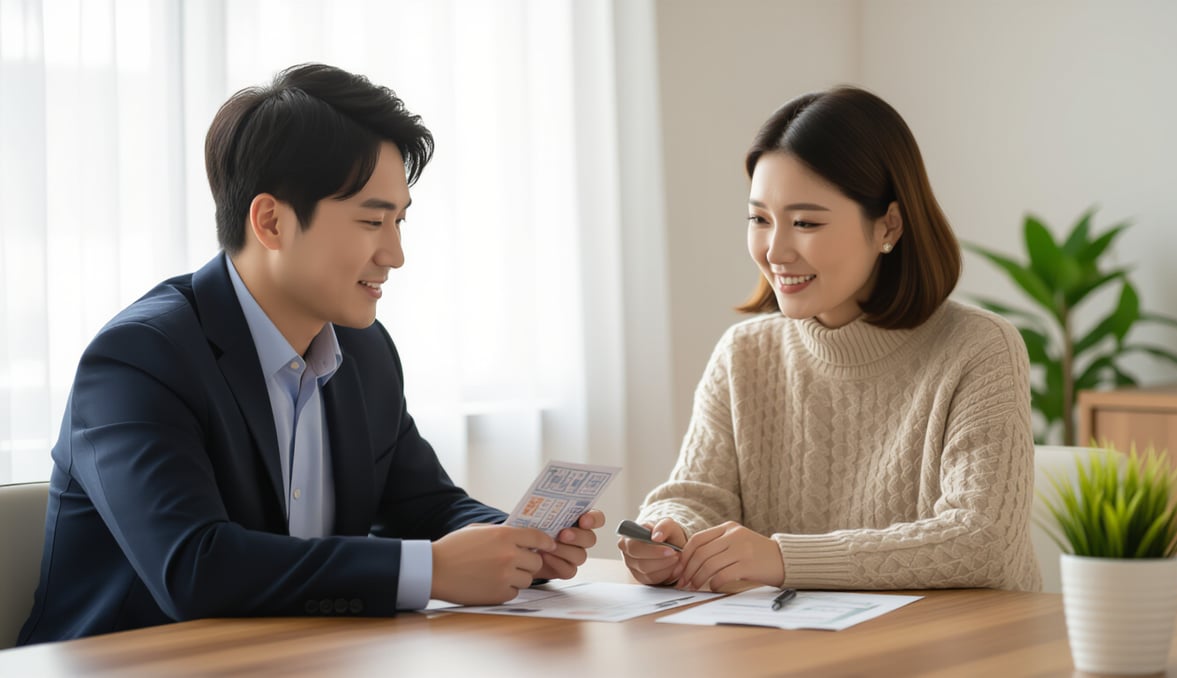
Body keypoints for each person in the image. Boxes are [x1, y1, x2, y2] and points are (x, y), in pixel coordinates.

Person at [19, 63, 605, 645]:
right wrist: (432, 570)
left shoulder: (364, 350)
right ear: (271, 222)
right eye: (372, 221)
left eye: (399, 221)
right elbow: (193, 566)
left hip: (293, 656)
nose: (395, 254)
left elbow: (426, 506)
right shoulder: (140, 359)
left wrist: (519, 544)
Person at [619, 86, 1039, 594]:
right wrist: (671, 535)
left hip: (954, 640)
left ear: (889, 225)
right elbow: (697, 496)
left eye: (805, 222)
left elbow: (982, 541)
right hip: (790, 638)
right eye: (759, 219)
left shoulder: (979, 348)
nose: (775, 250)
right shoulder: (744, 355)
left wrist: (782, 559)